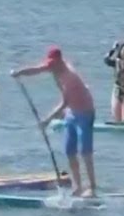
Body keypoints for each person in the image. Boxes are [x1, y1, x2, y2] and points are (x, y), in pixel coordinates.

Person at [13, 46, 99, 197]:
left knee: (85, 151)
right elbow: (37, 69)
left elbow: (64, 103)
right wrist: (20, 73)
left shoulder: (70, 77)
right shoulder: (54, 67)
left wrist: (46, 120)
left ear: (60, 61)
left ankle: (92, 187)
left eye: (53, 63)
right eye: (50, 64)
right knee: (69, 150)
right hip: (72, 113)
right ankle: (78, 186)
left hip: (85, 112)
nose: (51, 67)